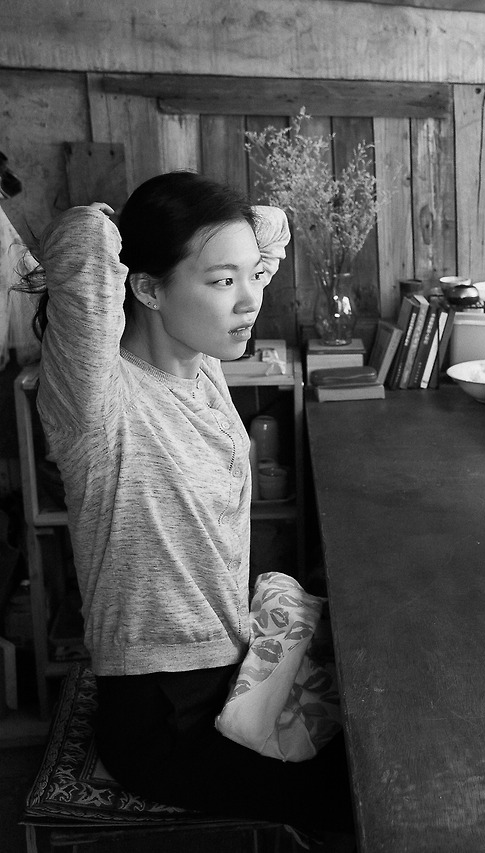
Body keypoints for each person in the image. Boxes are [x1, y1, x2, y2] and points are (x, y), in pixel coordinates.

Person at [25, 172, 353, 835]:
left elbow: (269, 227)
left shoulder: (200, 364)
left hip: (229, 668)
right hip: (161, 715)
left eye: (251, 277)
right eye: (223, 282)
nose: (251, 299)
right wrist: (122, 223)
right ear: (146, 288)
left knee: (368, 726)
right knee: (356, 791)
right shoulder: (98, 403)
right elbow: (83, 240)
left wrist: (214, 252)